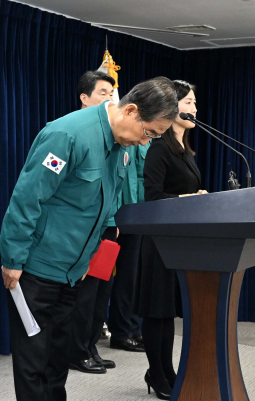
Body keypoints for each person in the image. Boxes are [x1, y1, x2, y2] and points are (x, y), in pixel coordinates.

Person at [0, 77, 178, 401]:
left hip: (74, 272)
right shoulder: (67, 134)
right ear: (132, 111)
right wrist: (12, 260)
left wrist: (89, 258)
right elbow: (27, 199)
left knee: (58, 362)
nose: (144, 143)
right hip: (37, 269)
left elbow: (103, 208)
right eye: (148, 133)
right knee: (33, 362)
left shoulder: (121, 148)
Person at [136, 80, 206, 400]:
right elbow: (151, 196)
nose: (194, 108)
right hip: (158, 242)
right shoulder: (160, 147)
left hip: (178, 242)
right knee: (157, 312)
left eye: (194, 103)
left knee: (168, 313)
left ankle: (166, 371)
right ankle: (157, 374)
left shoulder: (185, 149)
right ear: (173, 107)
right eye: (189, 102)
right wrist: (189, 197)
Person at [68, 70, 119, 375]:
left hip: (108, 227)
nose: (110, 98)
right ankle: (76, 352)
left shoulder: (113, 139)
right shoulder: (74, 134)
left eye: (112, 94)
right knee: (83, 298)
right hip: (84, 231)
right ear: (84, 99)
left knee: (100, 295)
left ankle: (90, 346)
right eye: (103, 93)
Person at [107, 138, 149, 353]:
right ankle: (120, 332)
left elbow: (143, 179)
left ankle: (132, 329)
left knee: (133, 277)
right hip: (118, 214)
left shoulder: (148, 139)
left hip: (138, 213)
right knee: (116, 277)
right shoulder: (123, 137)